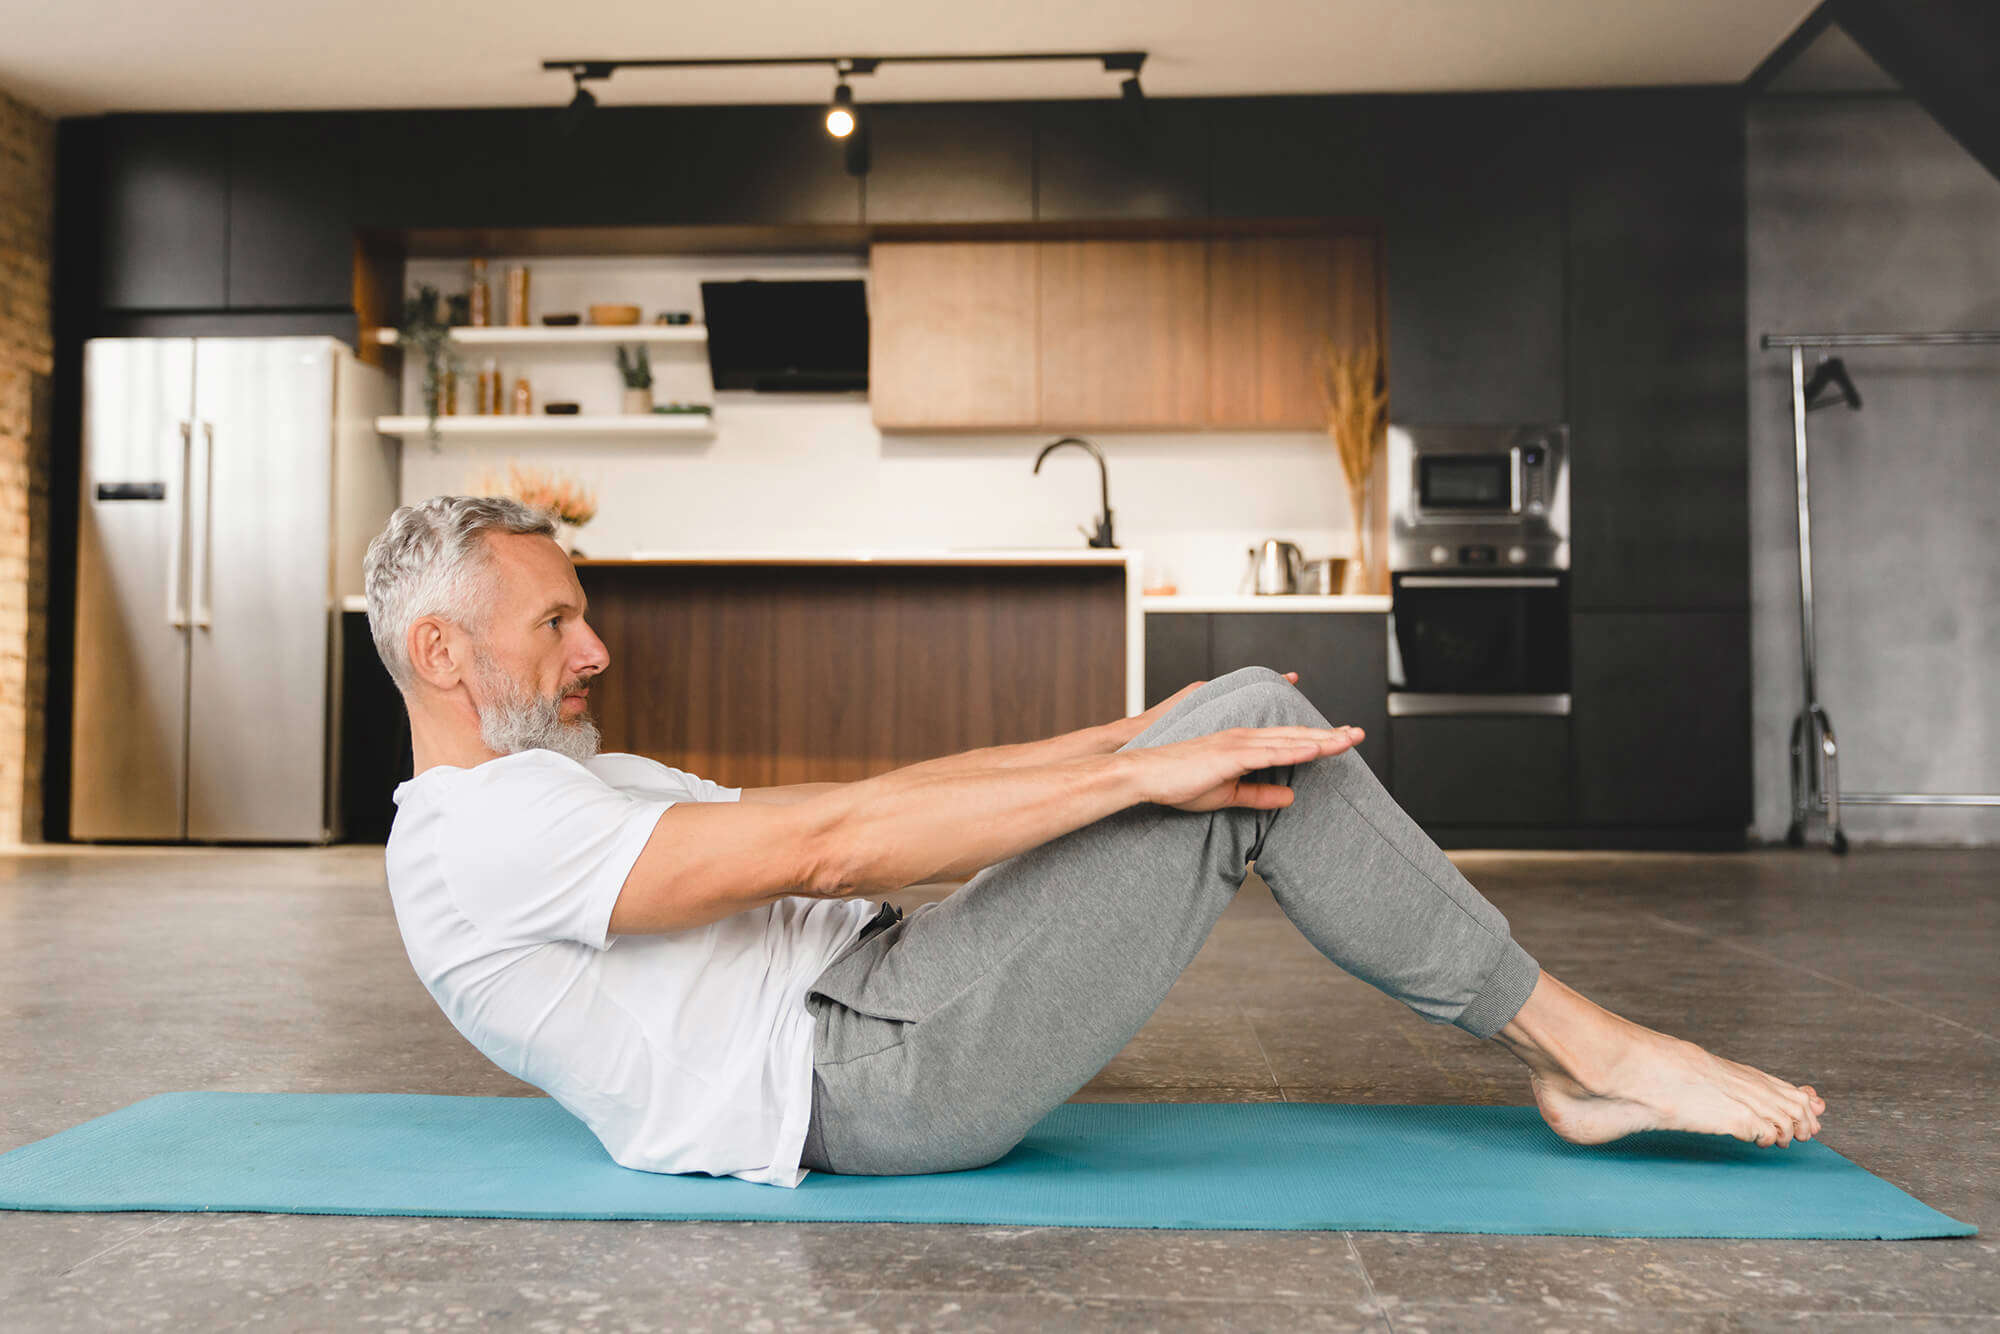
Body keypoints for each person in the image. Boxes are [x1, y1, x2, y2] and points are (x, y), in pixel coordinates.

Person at [365, 495, 1825, 1189]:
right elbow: (834, 845)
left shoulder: (556, 787)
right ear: (443, 650)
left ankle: (1579, 1052)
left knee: (1229, 720)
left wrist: (1136, 734)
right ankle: (1593, 1053)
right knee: (1255, 735)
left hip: (885, 996)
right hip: (863, 1072)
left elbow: (871, 811)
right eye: (557, 617)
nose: (595, 645)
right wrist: (1149, 778)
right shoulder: (483, 839)